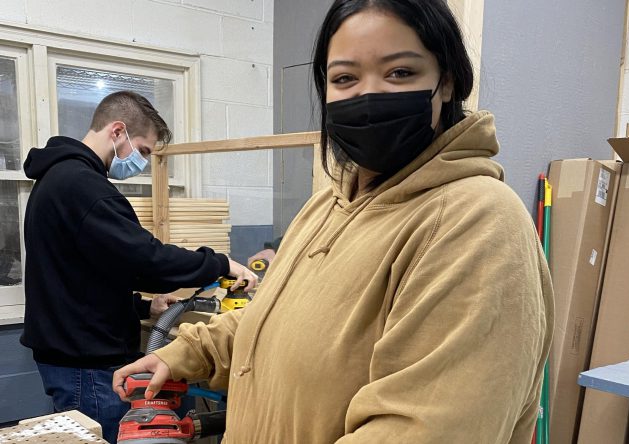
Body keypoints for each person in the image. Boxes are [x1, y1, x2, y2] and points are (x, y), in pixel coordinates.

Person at [114, 1, 554, 442]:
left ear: (447, 83)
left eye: (400, 72)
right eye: (345, 78)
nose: (368, 96)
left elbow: (417, 431)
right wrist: (184, 353)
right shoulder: (328, 205)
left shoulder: (476, 222)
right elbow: (270, 323)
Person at [21, 91, 258, 444]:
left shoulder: (57, 178)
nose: (143, 162)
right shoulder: (82, 186)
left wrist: (145, 307)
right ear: (118, 131)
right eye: (144, 151)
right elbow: (146, 260)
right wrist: (220, 263)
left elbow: (82, 276)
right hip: (90, 367)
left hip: (73, 356)